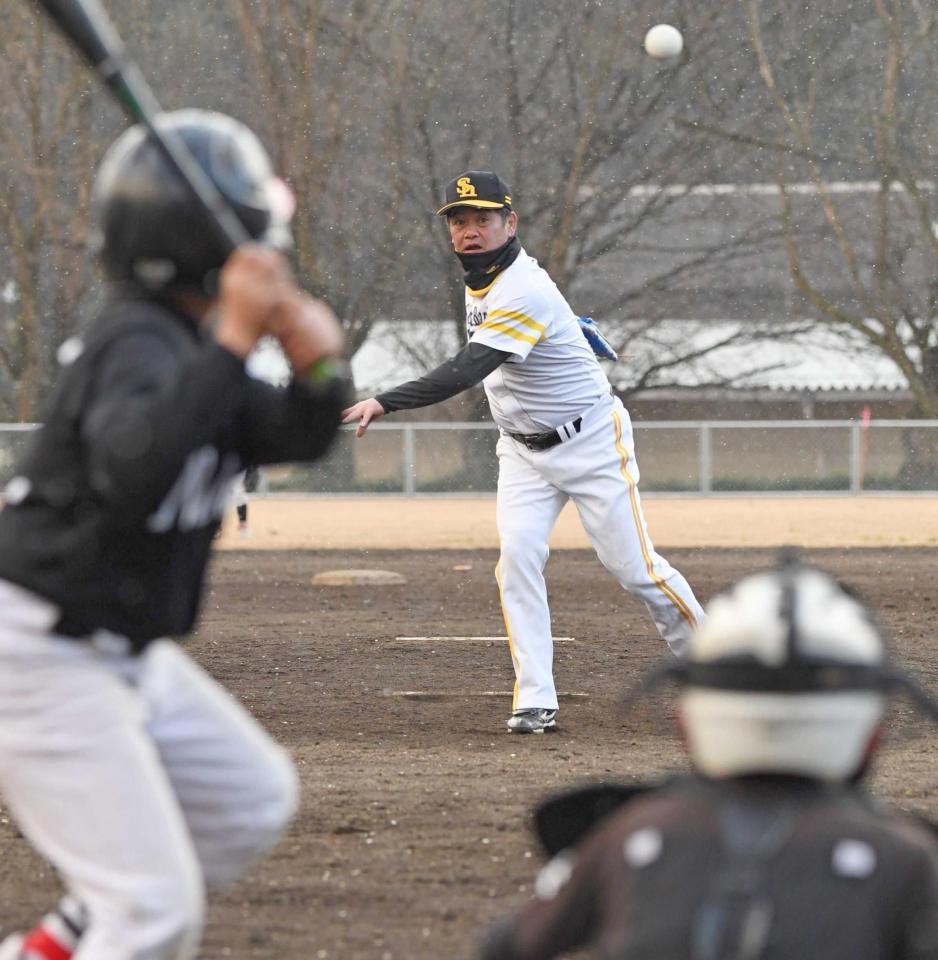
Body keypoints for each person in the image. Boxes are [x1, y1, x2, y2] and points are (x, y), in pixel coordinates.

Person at [0, 109, 349, 960]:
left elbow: (295, 436)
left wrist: (321, 371)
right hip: (38, 654)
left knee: (249, 803)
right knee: (152, 911)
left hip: (118, 650)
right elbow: (135, 471)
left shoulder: (194, 351)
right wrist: (233, 337)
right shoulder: (136, 343)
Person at [342, 170, 704, 734]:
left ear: (510, 224)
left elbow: (468, 369)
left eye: (483, 219)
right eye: (459, 221)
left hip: (589, 444)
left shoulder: (522, 288)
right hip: (521, 452)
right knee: (517, 559)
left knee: (635, 571)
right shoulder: (484, 279)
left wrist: (384, 402)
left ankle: (718, 670)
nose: (469, 230)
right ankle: (535, 696)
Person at [475, 558, 938, 960]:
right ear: (873, 733)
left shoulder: (630, 835)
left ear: (687, 723)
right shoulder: (907, 857)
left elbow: (504, 948)